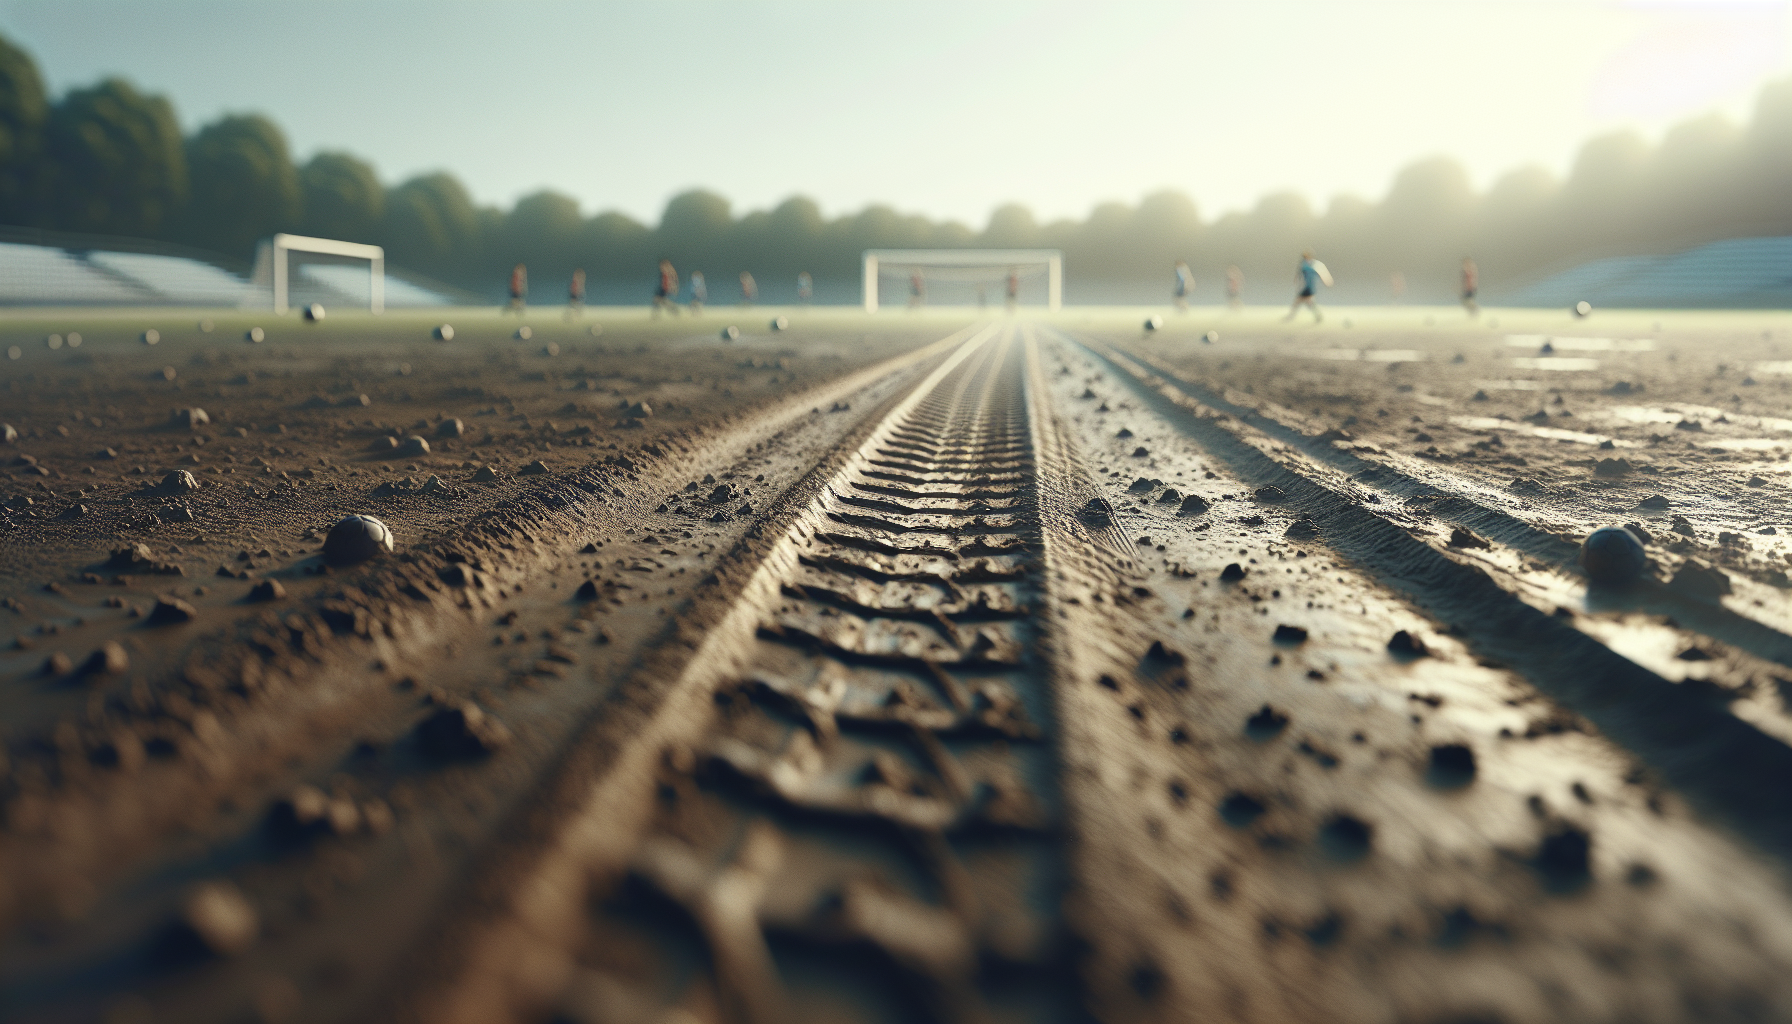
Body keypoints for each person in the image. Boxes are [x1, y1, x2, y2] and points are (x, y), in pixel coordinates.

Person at [1284, 250, 1330, 322]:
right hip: (1306, 286)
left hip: (1309, 287)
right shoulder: (1304, 264)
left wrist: (1326, 281)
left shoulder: (1313, 265)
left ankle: (1291, 316)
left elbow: (1320, 273)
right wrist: (1296, 280)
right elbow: (1299, 273)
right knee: (1308, 302)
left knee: (1299, 301)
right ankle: (1318, 316)